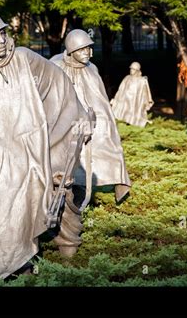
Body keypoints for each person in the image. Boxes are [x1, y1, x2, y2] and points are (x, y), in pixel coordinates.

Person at [0, 10, 90, 278]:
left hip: (29, 151)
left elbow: (59, 87)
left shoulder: (25, 59)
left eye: (2, 32)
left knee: (31, 195)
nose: (1, 40)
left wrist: (78, 119)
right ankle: (12, 263)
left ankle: (28, 255)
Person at [50, 29, 132, 210]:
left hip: (93, 121)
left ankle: (113, 178)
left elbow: (100, 102)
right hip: (66, 124)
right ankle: (72, 193)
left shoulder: (91, 69)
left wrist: (101, 123)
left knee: (107, 142)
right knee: (68, 159)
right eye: (82, 49)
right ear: (71, 50)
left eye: (89, 49)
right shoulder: (55, 66)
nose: (87, 53)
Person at [110, 62, 154, 127]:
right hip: (125, 100)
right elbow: (121, 89)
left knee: (134, 113)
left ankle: (133, 121)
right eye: (131, 69)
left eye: (133, 69)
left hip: (135, 102)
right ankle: (124, 120)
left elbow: (145, 93)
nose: (131, 70)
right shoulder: (127, 78)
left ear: (137, 71)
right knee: (122, 112)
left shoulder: (142, 80)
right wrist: (116, 98)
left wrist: (147, 102)